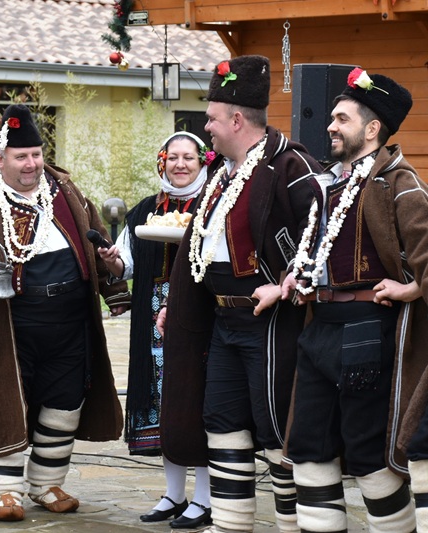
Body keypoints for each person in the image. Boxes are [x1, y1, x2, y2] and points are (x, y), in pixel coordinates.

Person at [0, 104, 131, 522]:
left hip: (70, 321)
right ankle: (4, 492)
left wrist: (113, 276)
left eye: (36, 154)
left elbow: (96, 241)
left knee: (65, 401)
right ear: (1, 159)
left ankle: (45, 484)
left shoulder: (66, 191)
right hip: (6, 323)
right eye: (21, 156)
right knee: (2, 402)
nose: (31, 164)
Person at [160, 55, 321, 533]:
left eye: (211, 119)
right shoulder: (223, 174)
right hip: (223, 322)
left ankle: (292, 525)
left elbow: (322, 229)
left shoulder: (290, 164)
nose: (206, 128)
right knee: (223, 422)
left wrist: (288, 281)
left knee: (275, 428)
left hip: (268, 320)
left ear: (235, 120)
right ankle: (230, 524)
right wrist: (176, 303)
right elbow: (200, 245)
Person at [281, 69, 422, 532]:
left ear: (373, 128)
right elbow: (315, 251)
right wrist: (296, 276)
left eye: (342, 119)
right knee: (308, 447)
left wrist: (412, 288)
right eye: (333, 118)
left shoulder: (398, 183)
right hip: (319, 328)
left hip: (366, 332)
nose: (330, 126)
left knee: (367, 454)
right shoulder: (328, 184)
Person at [97, 131, 213, 528]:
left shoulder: (213, 205)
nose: (180, 165)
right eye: (172, 157)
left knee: (196, 401)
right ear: (162, 162)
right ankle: (174, 494)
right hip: (151, 321)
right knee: (164, 403)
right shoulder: (146, 210)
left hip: (197, 319)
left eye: (188, 158)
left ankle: (205, 498)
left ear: (202, 162)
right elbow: (126, 266)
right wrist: (111, 261)